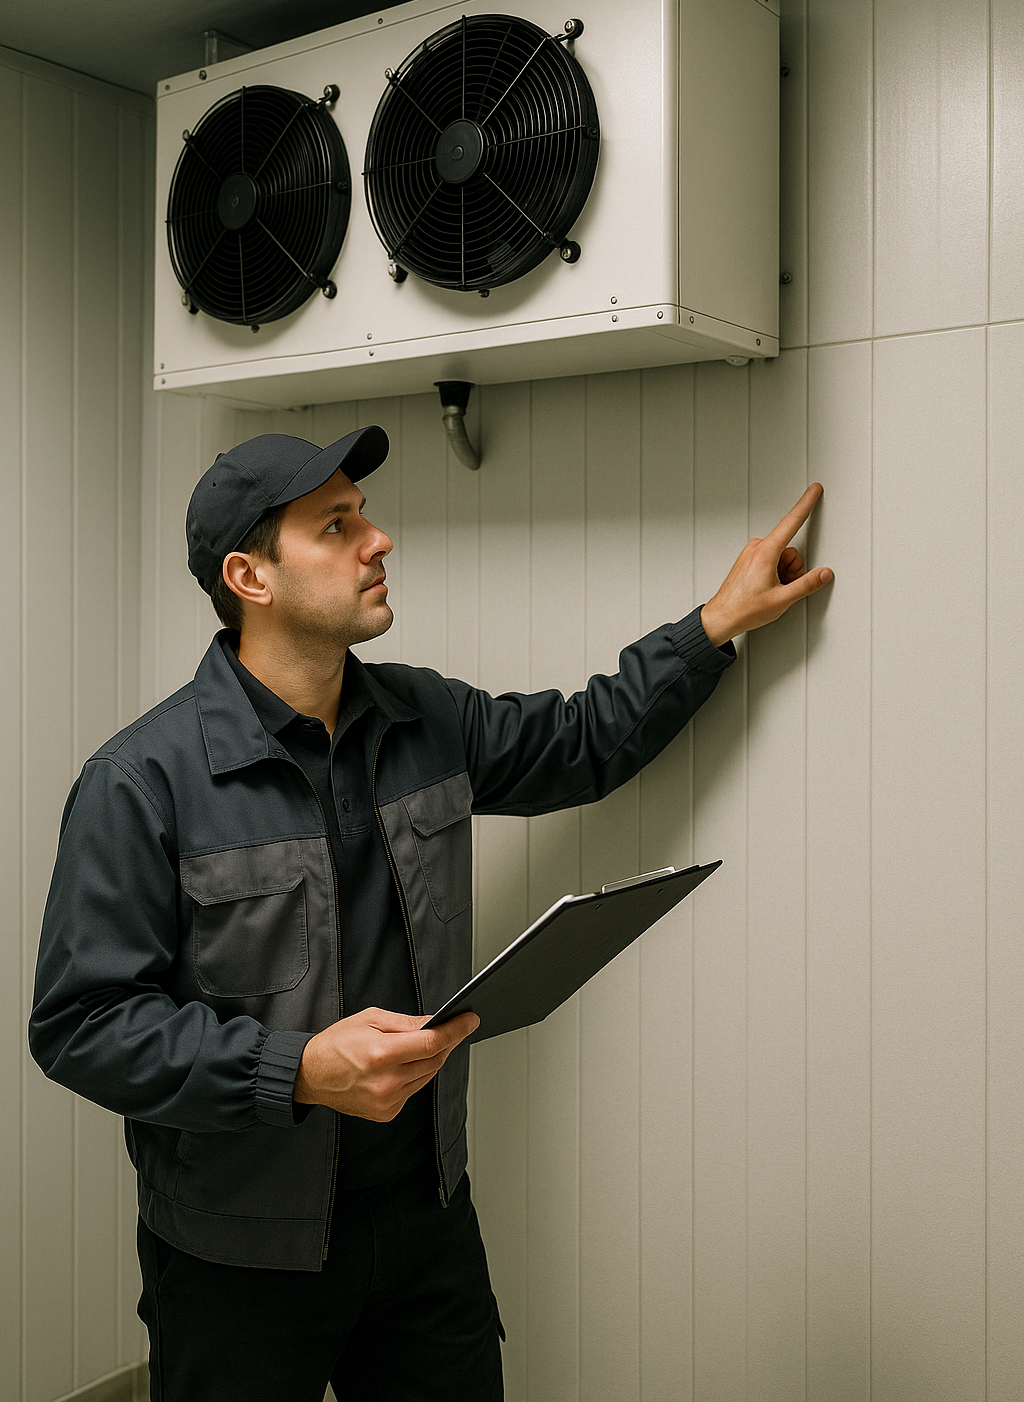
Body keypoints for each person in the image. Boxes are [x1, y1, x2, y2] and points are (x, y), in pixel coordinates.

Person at [29, 427, 832, 1402]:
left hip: (426, 1226)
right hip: (237, 1256)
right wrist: (300, 1072)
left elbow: (582, 741)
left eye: (363, 515)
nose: (379, 541)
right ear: (251, 575)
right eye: (337, 525)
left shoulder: (425, 719)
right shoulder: (139, 783)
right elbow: (84, 1028)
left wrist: (713, 624)